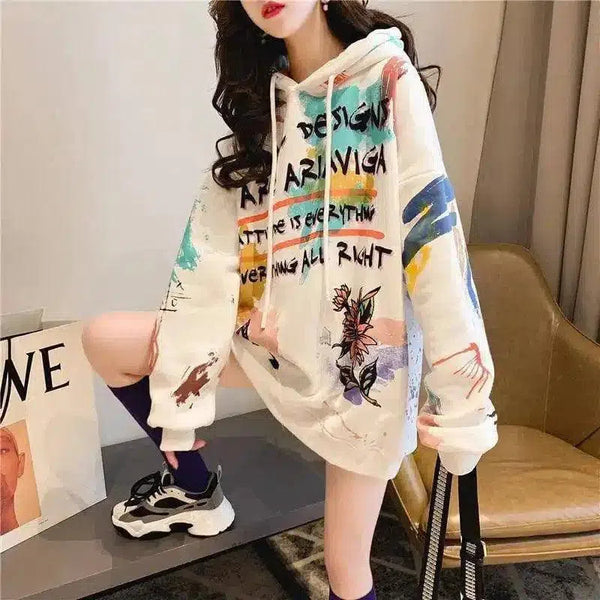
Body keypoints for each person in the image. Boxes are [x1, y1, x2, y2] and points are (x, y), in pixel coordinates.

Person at [81, 1, 499, 599]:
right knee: (104, 340)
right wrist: (181, 404)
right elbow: (210, 254)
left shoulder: (386, 78)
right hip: (277, 349)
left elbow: (431, 233)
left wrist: (463, 395)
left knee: (345, 567)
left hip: (363, 372)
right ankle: (195, 491)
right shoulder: (265, 110)